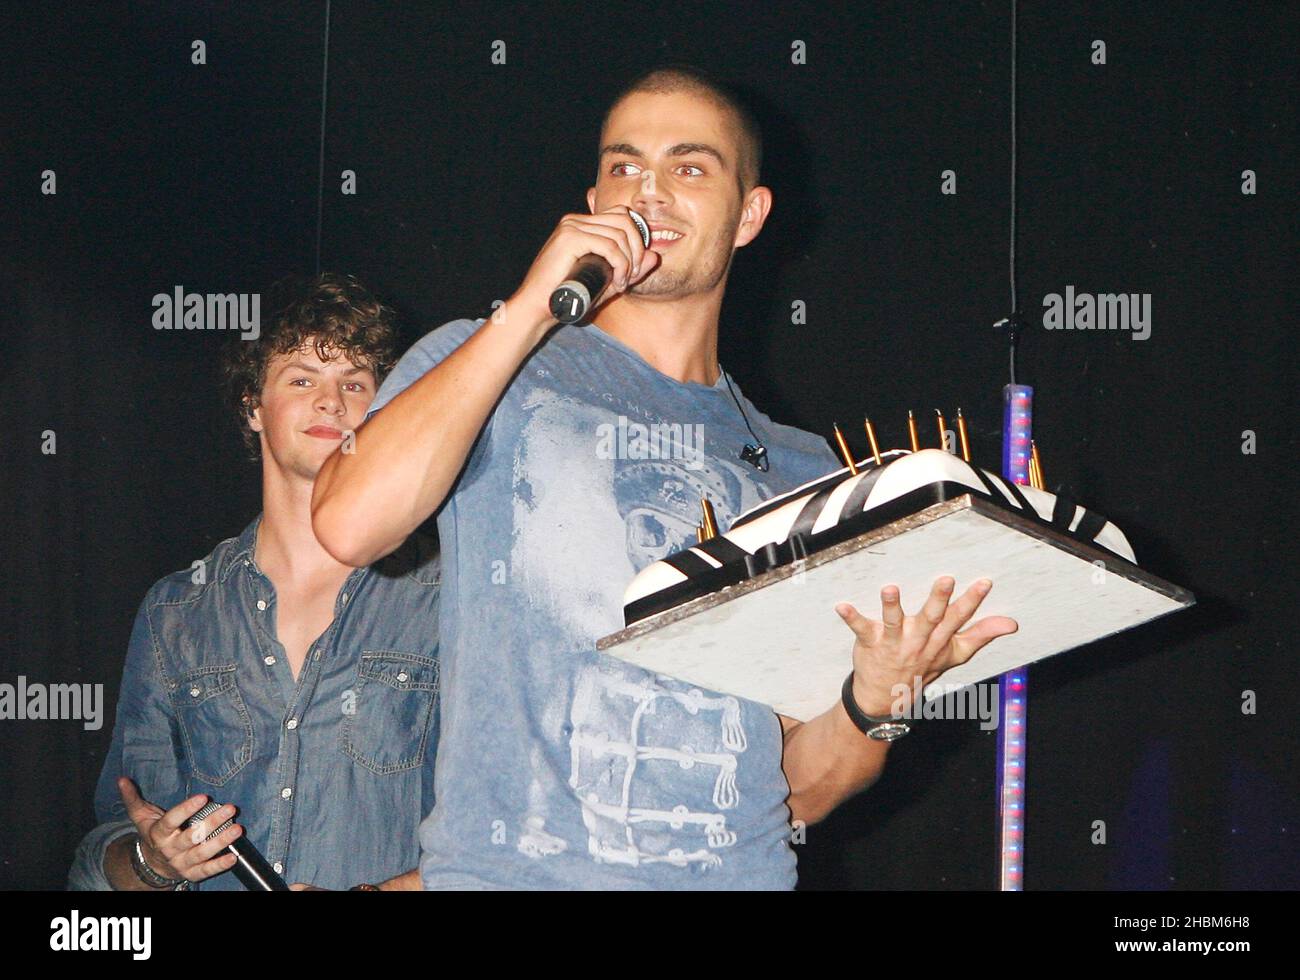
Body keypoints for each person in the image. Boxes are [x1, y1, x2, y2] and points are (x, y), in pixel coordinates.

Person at [312, 67, 1018, 889]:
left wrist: (877, 699)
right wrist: (533, 302)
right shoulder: (489, 364)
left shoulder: (804, 471)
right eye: (624, 166)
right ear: (592, 196)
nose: (648, 190)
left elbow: (799, 788)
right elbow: (349, 524)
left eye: (689, 167)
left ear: (749, 215)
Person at [69, 274, 438, 891]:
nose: (330, 401)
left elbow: (502, 833)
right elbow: (105, 854)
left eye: (354, 382)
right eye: (302, 379)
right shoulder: (177, 611)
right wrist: (151, 861)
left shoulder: (447, 598)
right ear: (253, 406)